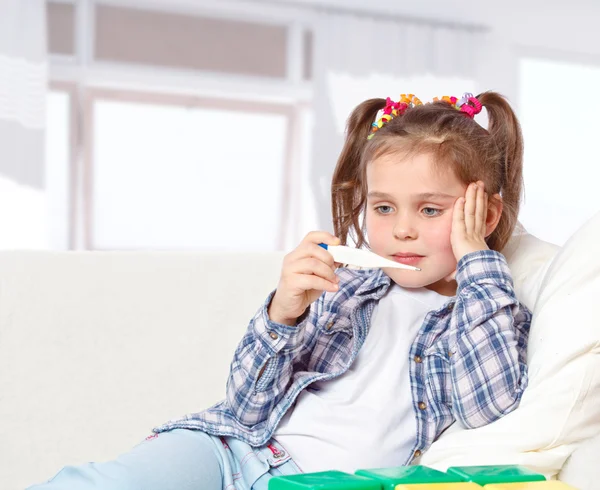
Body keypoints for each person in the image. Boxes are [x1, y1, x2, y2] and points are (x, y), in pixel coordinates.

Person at [29, 92, 531, 490]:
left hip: (314, 485)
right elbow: (245, 406)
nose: (401, 230)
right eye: (383, 208)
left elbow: (487, 407)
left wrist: (477, 262)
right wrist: (283, 315)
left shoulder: (487, 310)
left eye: (429, 210)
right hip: (229, 451)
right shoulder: (344, 288)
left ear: (483, 214)